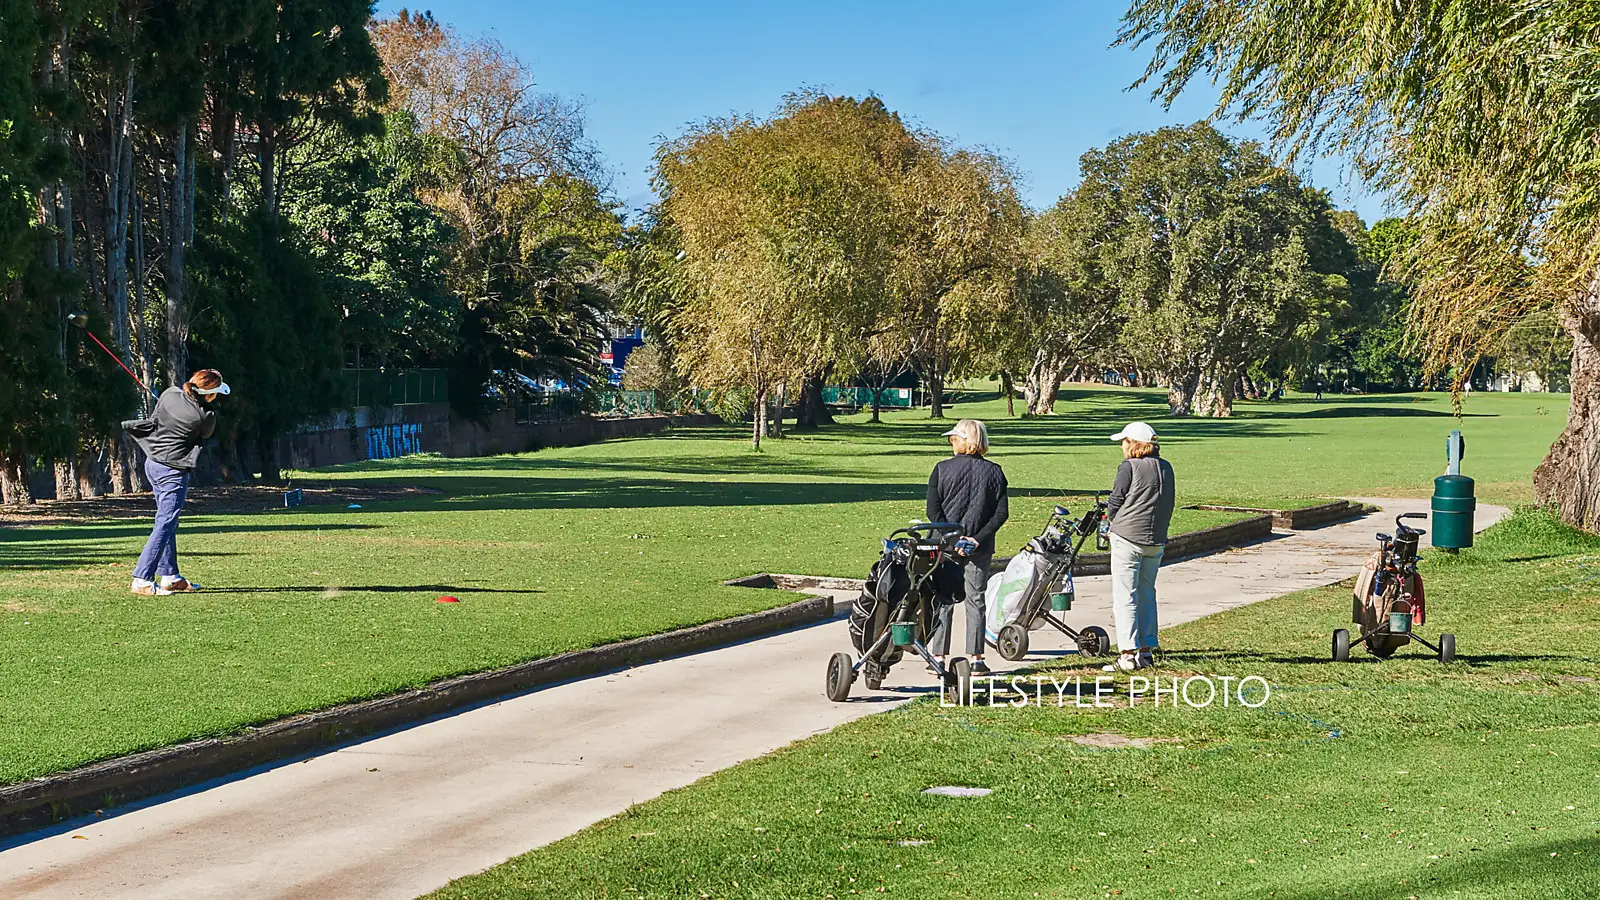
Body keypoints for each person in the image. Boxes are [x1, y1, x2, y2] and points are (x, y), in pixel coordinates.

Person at [122, 369, 230, 596]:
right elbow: (205, 433)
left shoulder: (169, 394)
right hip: (172, 471)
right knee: (165, 523)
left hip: (152, 463)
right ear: (208, 394)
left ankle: (170, 576)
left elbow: (167, 409)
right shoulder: (205, 417)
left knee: (167, 521)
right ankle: (142, 578)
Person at [926, 418, 1008, 675]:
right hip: (979, 547)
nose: (952, 443)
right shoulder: (995, 472)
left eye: (954, 438)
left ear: (963, 441)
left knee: (943, 599)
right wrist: (976, 538)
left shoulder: (941, 469)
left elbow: (933, 510)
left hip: (944, 545)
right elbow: (1000, 513)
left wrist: (951, 538)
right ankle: (976, 658)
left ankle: (938, 655)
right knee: (976, 600)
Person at [1102, 421, 1175, 672]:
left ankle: (1127, 654)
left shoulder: (1129, 467)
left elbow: (1115, 500)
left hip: (1128, 537)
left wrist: (1112, 521)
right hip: (1156, 540)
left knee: (1125, 596)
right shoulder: (1166, 467)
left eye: (1125, 441)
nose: (1122, 445)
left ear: (1134, 444)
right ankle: (1145, 650)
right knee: (1146, 593)